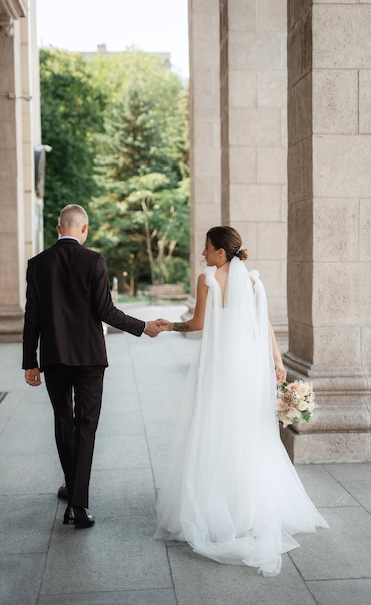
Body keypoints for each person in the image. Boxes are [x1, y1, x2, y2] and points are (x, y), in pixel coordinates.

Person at [154, 226, 328, 576]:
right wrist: (277, 363)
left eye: (207, 248)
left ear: (221, 252)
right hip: (249, 372)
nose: (203, 254)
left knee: (214, 430)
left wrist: (170, 326)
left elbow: (198, 323)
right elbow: (263, 326)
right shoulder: (253, 282)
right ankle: (248, 508)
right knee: (248, 434)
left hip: (218, 369)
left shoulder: (209, 279)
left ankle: (217, 507)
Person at [22, 204, 161, 528]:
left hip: (55, 358)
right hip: (90, 358)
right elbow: (106, 311)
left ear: (59, 229)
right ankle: (79, 506)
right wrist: (143, 326)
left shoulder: (38, 264)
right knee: (86, 426)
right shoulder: (94, 260)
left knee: (63, 422)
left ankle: (72, 487)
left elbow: (33, 317)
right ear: (84, 229)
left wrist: (31, 362)